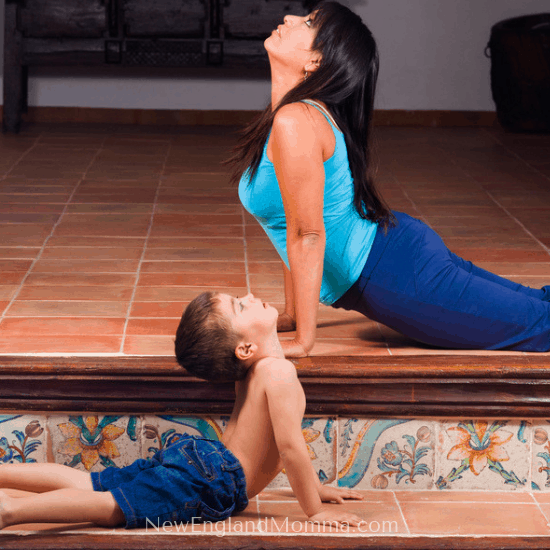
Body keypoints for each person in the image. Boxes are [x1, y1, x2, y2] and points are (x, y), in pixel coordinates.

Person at [227, 1, 550, 356]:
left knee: (539, 326)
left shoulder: (295, 122)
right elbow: (293, 220)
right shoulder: (288, 119)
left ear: (315, 62)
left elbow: (308, 235)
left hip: (397, 275)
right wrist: (292, 313)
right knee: (538, 306)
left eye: (306, 23)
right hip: (398, 255)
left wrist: (304, 340)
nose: (288, 18)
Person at [0, 291, 364, 531]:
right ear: (244, 348)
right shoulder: (279, 372)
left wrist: (316, 487)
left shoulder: (254, 371)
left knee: (91, 482)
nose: (251, 296)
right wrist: (314, 508)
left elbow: (272, 444)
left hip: (200, 459)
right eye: (240, 305)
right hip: (214, 478)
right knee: (111, 505)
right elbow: (288, 448)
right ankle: (10, 512)